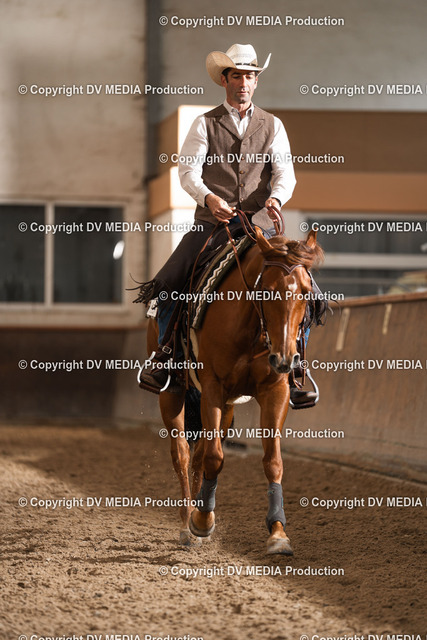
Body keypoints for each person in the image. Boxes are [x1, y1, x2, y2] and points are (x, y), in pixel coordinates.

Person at [137, 44, 319, 406]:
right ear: (225, 80)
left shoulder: (273, 125)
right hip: (212, 224)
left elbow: (285, 173)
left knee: (305, 287)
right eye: (237, 75)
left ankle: (297, 366)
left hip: (260, 227)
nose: (244, 82)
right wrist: (209, 198)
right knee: (169, 282)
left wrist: (275, 198)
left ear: (256, 81)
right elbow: (188, 172)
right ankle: (166, 355)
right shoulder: (204, 123)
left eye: (250, 76)